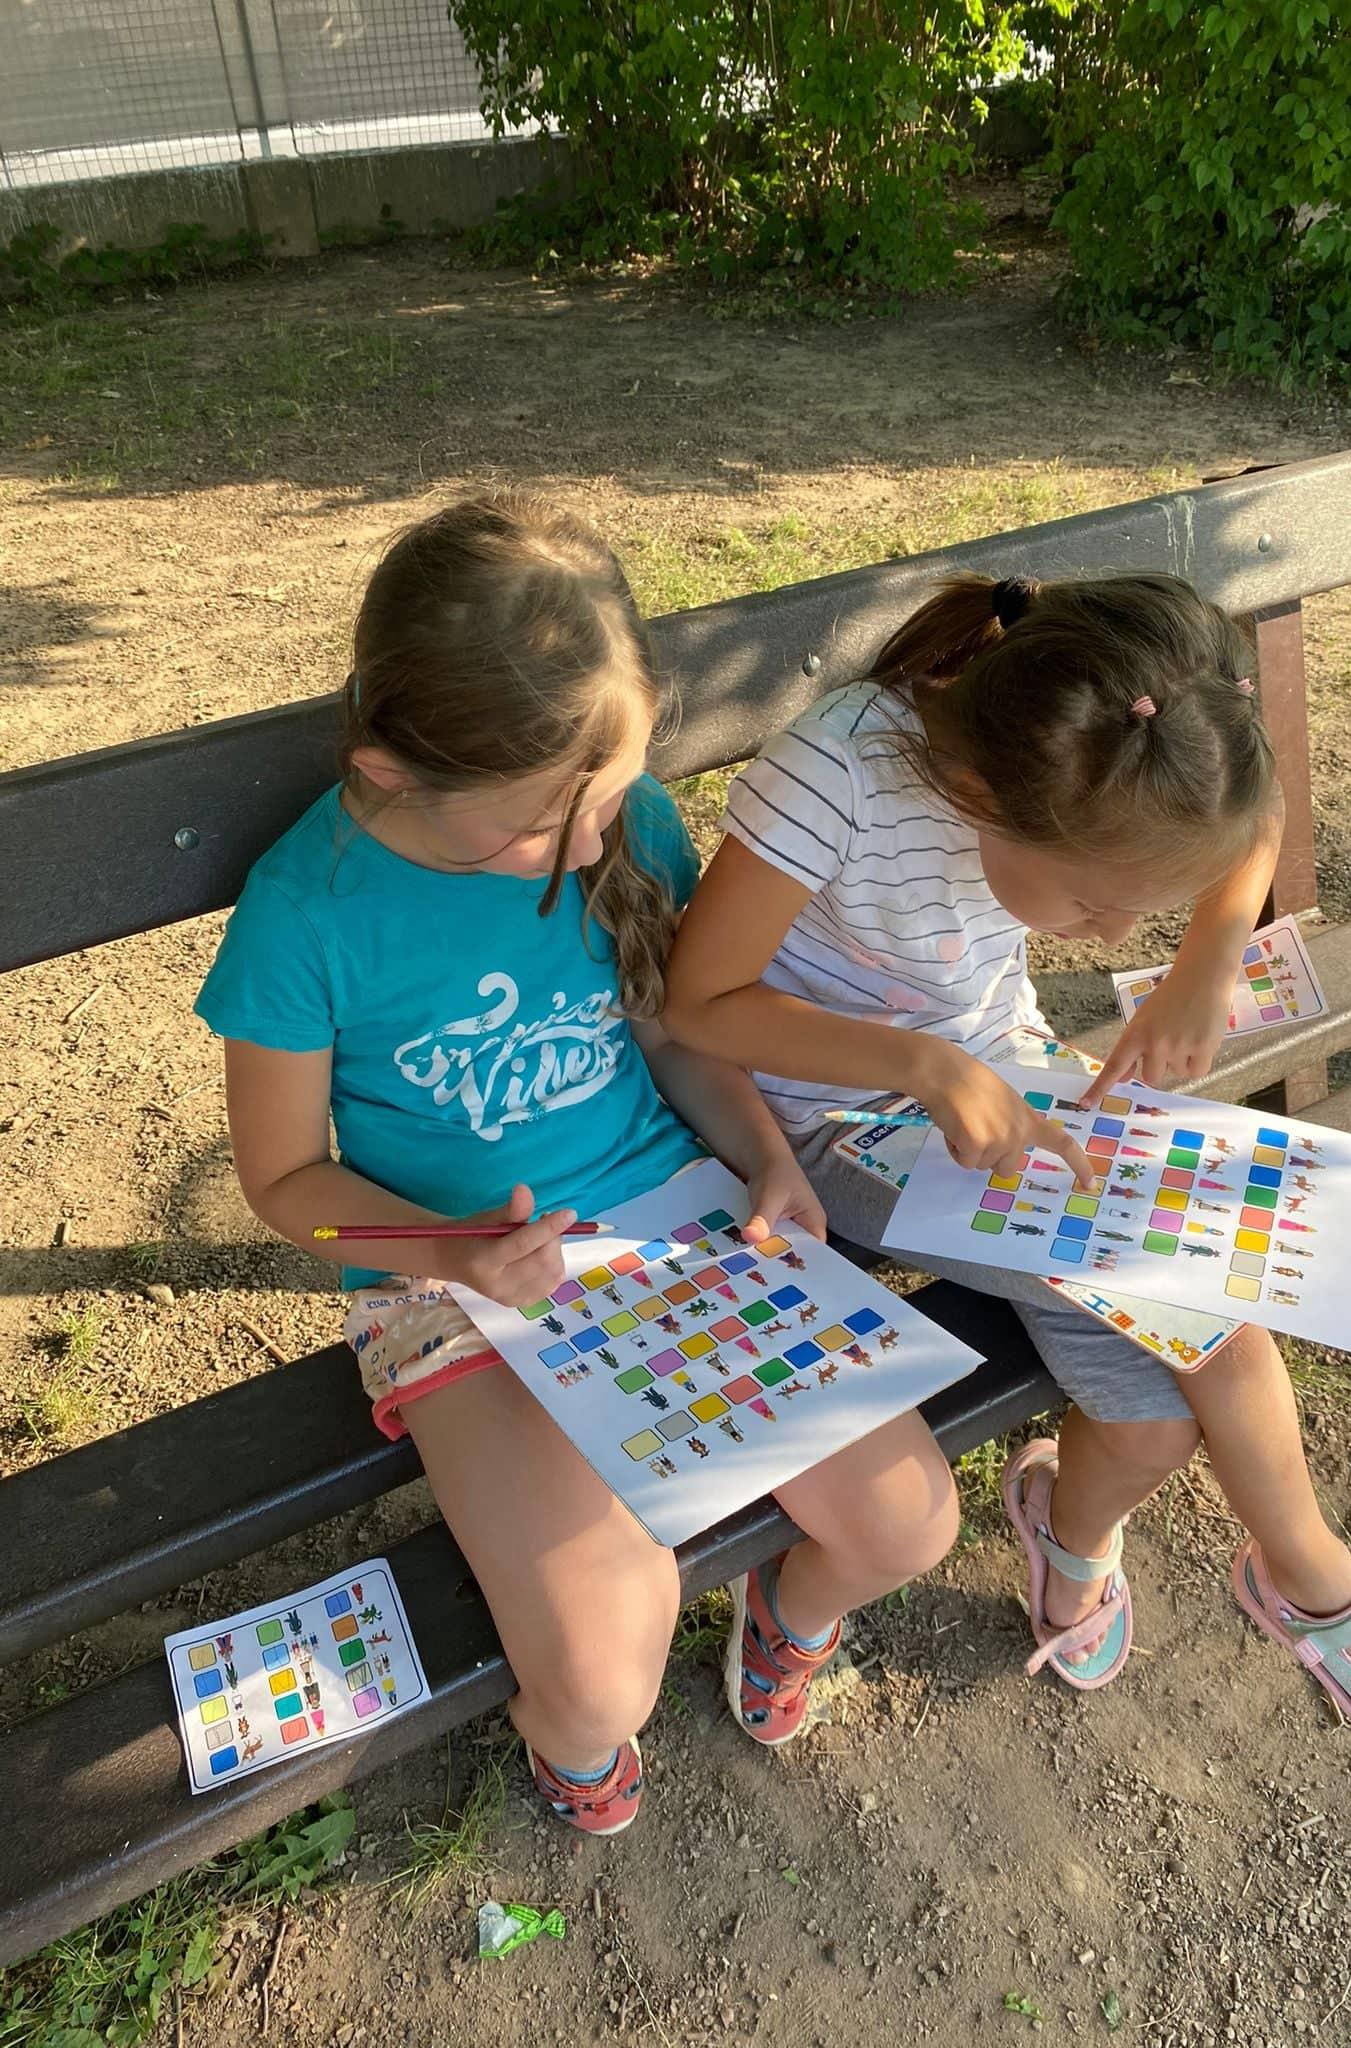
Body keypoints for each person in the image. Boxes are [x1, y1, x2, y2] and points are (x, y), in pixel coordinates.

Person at [194, 493, 961, 1835]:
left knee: (908, 1524)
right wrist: (454, 1250)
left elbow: (672, 1035)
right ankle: (567, 1739)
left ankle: (786, 1610)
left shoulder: (624, 820)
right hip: (446, 1281)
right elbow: (286, 1183)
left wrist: (765, 1158)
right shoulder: (305, 915)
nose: (597, 845)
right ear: (389, 770)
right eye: (548, 827)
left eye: (608, 801)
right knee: (605, 1672)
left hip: (666, 1225)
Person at [663, 571, 1351, 1772]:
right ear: (983, 797)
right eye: (1090, 902)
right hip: (831, 1115)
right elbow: (698, 1003)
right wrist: (921, 1064)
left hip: (1004, 1074)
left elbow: (1253, 814)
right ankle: (1316, 1585)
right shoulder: (839, 774)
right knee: (1206, 1299)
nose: (1112, 938)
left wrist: (1207, 960)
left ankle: (1068, 1548)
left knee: (1154, 1418)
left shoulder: (1118, 736)